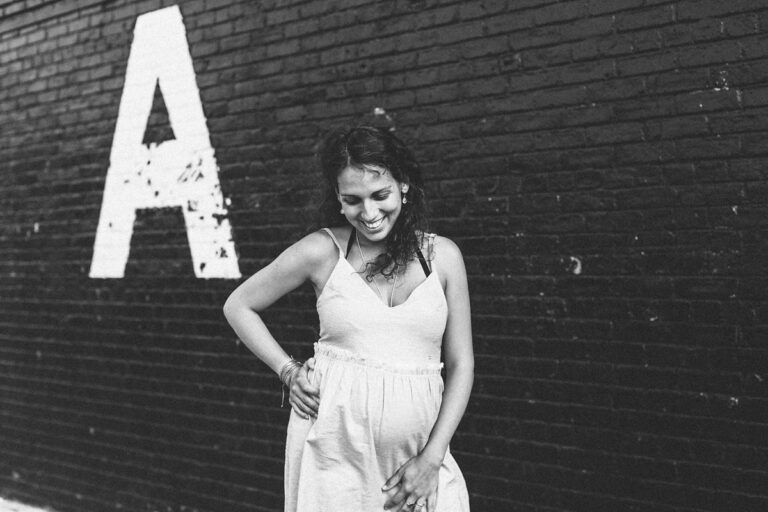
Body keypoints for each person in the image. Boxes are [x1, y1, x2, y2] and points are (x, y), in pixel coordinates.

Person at [223, 125, 474, 512]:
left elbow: (461, 364)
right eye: (352, 200)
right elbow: (239, 305)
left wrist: (432, 458)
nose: (369, 213)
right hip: (333, 455)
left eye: (381, 195)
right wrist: (287, 371)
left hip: (417, 460)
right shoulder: (322, 251)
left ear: (403, 186)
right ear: (338, 200)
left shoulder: (443, 257)